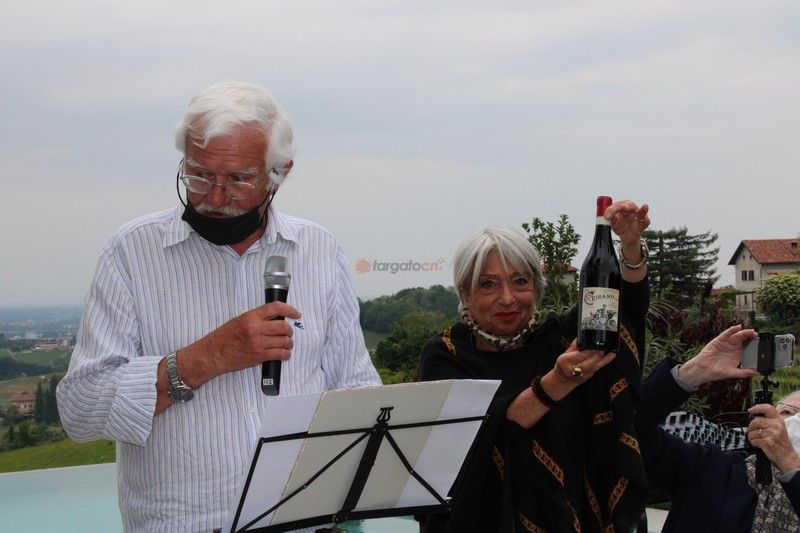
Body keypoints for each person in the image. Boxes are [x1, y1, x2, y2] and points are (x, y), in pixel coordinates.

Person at [56, 81, 381, 532]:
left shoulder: (320, 250)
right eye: (198, 175)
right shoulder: (131, 252)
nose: (213, 197)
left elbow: (357, 392)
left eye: (239, 180)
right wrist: (208, 357)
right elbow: (80, 409)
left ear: (280, 173)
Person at [417, 199, 652, 532]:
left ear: (536, 288)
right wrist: (558, 382)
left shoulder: (559, 340)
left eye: (520, 282)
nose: (507, 298)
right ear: (465, 294)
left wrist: (629, 248)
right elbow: (487, 428)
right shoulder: (446, 355)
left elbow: (619, 308)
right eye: (488, 284)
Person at [634, 325, 800, 531]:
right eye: (787, 412)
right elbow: (631, 431)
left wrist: (790, 462)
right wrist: (694, 372)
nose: (795, 422)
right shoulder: (713, 469)